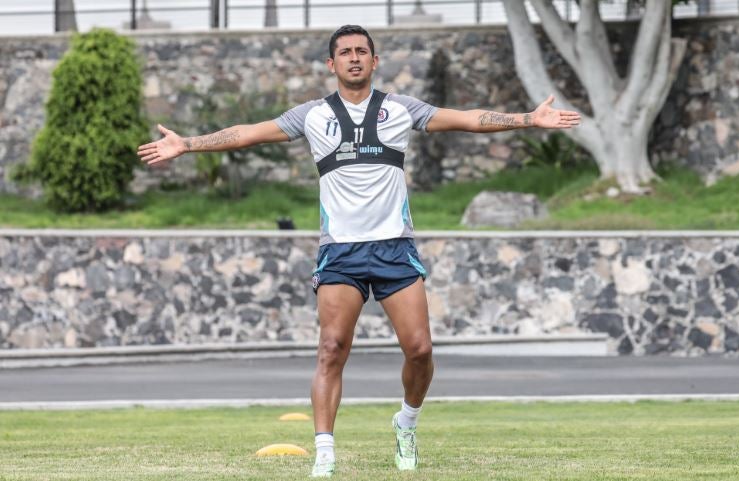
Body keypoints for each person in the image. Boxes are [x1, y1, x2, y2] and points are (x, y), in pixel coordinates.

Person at [137, 24, 580, 477]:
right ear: (331, 64)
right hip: (341, 253)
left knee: (421, 350)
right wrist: (187, 144)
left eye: (361, 52)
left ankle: (406, 422)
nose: (353, 58)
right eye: (344, 52)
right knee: (331, 347)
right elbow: (247, 133)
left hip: (394, 249)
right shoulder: (311, 116)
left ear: (374, 61)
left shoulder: (400, 110)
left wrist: (526, 119)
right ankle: (324, 454)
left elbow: (465, 117)